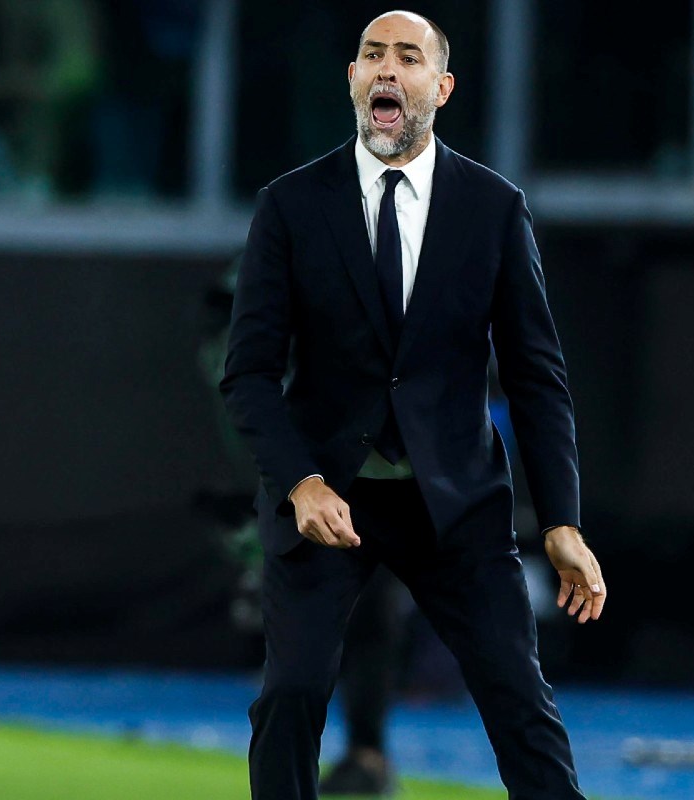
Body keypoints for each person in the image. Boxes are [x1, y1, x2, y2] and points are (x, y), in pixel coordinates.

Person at [220, 10, 607, 800]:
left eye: (407, 56)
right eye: (372, 55)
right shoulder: (290, 205)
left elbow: (537, 377)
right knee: (291, 693)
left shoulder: (493, 207)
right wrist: (300, 484)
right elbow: (248, 374)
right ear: (353, 80)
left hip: (454, 503)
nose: (387, 69)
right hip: (327, 497)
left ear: (442, 86)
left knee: (520, 701)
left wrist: (562, 522)